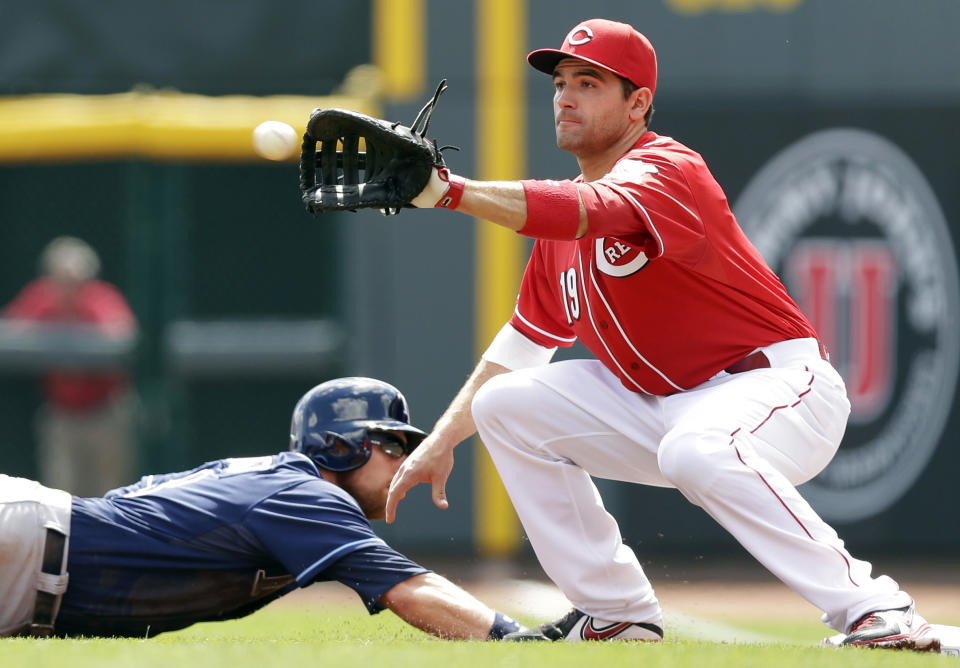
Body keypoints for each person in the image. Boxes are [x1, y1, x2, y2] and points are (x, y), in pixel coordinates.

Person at [386, 18, 940, 651]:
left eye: (589, 83)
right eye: (561, 83)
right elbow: (520, 346)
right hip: (669, 407)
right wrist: (441, 442)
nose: (565, 97)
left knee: (695, 448)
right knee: (503, 407)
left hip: (782, 389)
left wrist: (448, 191)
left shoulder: (668, 168)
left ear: (638, 103)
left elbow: (594, 211)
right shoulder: (559, 232)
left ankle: (877, 610)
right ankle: (617, 613)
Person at [0, 377, 523, 640]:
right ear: (342, 446)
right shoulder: (306, 497)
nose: (404, 462)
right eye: (392, 445)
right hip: (25, 549)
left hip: (32, 559)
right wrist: (515, 640)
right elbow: (412, 590)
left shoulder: (278, 487)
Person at [2, 236, 137, 497]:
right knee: (60, 494)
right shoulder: (41, 298)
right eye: (61, 279)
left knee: (109, 494)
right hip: (62, 415)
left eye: (76, 279)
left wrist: (82, 341)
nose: (68, 286)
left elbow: (121, 335)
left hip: (105, 412)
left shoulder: (101, 299)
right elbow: (12, 329)